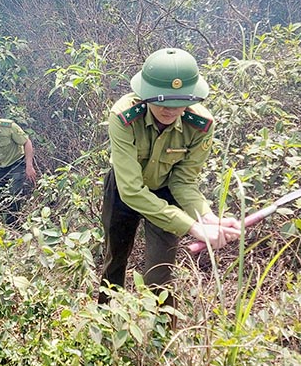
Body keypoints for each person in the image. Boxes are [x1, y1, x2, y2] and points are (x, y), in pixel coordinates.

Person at [99, 47, 241, 306]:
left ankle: (161, 337)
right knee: (115, 260)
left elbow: (183, 181)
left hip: (166, 191)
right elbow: (131, 190)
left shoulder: (200, 124)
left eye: (179, 103)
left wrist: (206, 217)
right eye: (161, 101)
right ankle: (105, 319)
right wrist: (193, 228)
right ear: (145, 94)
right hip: (123, 189)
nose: (170, 110)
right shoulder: (123, 117)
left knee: (161, 273)